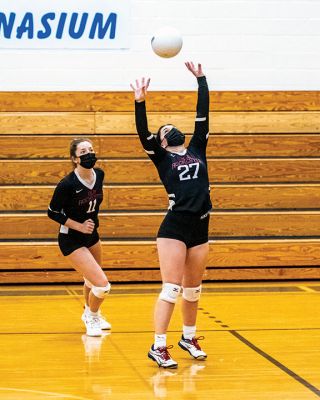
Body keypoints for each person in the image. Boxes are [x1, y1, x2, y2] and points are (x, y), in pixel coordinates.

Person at [130, 62, 211, 368]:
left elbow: (202, 116)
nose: (170, 128)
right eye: (164, 130)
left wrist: (201, 81)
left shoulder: (197, 148)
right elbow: (142, 132)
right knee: (172, 288)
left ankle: (188, 337)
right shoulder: (162, 158)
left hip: (201, 227)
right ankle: (158, 345)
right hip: (174, 228)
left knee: (193, 290)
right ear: (161, 141)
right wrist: (140, 101)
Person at [48, 138, 111, 337]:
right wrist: (79, 226)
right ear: (75, 159)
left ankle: (90, 311)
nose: (89, 153)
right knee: (103, 285)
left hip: (92, 236)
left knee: (91, 280)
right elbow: (52, 212)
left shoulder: (99, 175)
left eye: (91, 149)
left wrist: (89, 227)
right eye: (83, 151)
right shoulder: (67, 184)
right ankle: (91, 317)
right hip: (71, 239)